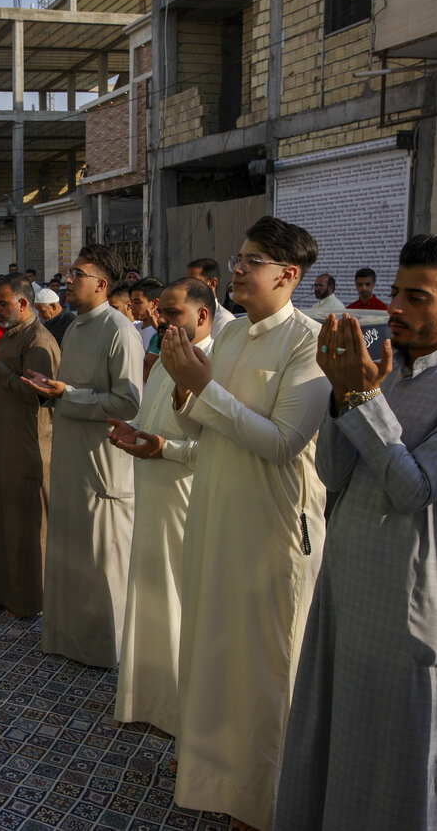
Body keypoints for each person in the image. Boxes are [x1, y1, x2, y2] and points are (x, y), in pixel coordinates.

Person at [277, 236, 437, 831]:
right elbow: (333, 475)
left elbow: (413, 491)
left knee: (406, 773)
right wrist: (342, 396)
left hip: (414, 607)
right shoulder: (383, 367)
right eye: (396, 294)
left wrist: (362, 396)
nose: (397, 308)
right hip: (346, 594)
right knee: (331, 753)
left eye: (418, 297)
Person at [161, 216, 330, 830]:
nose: (235, 268)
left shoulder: (309, 342)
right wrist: (186, 392)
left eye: (251, 260)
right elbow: (194, 427)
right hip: (213, 509)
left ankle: (268, 801)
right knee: (214, 647)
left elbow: (284, 443)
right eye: (237, 257)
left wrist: (201, 388)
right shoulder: (229, 337)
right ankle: (214, 780)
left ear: (288, 275)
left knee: (266, 666)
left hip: (270, 525)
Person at [23, 245, 143, 668]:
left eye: (78, 273)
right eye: (69, 272)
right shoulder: (74, 328)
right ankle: (68, 637)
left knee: (102, 557)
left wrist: (66, 394)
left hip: (101, 462)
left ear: (102, 284)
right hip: (71, 453)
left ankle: (106, 649)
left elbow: (128, 403)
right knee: (71, 550)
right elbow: (71, 389)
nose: (68, 279)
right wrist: (52, 388)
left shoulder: (120, 330)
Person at [108, 277, 216, 740]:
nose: (162, 320)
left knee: (177, 597)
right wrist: (131, 429)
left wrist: (163, 448)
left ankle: (178, 709)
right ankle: (145, 698)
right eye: (160, 311)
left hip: (182, 495)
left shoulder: (213, 364)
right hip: (151, 486)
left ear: (203, 316)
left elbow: (214, 447)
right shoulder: (162, 356)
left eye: (173, 313)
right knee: (150, 591)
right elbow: (155, 420)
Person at [0, 274, 61, 618]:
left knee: (22, 525)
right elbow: (1, 379)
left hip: (24, 447)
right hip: (1, 443)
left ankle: (25, 600)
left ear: (23, 304)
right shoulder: (13, 336)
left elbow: (33, 395)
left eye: (3, 303)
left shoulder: (38, 342)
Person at [185, 258, 236, 336]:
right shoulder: (187, 316)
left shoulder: (223, 320)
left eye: (194, 282)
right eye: (186, 282)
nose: (188, 287)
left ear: (212, 283)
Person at [130, 276, 165, 380]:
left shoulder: (157, 334)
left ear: (155, 303)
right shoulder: (134, 327)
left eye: (137, 302)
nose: (132, 307)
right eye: (131, 302)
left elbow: (147, 375)